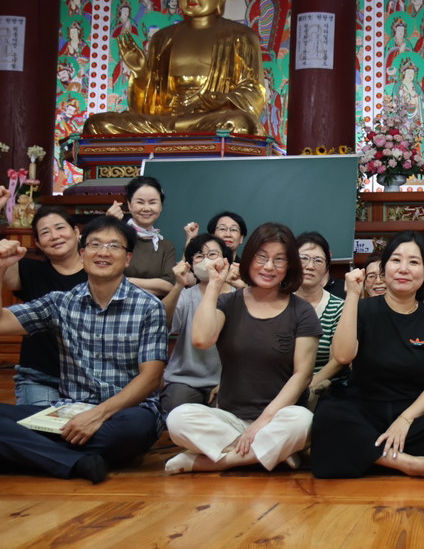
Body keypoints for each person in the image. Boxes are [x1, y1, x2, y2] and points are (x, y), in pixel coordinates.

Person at [0, 217, 166, 484]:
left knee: (135, 427)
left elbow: (151, 378)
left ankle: (29, 452)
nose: (103, 252)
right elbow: (1, 323)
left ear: (127, 258)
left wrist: (97, 415)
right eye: (95, 244)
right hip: (67, 414)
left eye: (114, 246)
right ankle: (77, 461)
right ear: (82, 253)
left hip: (124, 414)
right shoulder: (60, 302)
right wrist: (0, 267)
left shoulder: (149, 307)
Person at [164, 223, 321, 474]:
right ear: (248, 258)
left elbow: (302, 375)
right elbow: (202, 340)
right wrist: (215, 285)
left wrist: (263, 421)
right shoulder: (228, 302)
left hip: (278, 417)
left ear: (290, 265)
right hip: (230, 418)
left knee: (303, 422)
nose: (269, 267)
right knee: (178, 419)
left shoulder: (301, 311)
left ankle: (209, 462)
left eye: (279, 260)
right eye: (262, 257)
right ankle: (273, 453)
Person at [310, 231, 424, 481]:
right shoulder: (362, 309)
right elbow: (343, 356)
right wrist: (352, 296)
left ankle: (365, 455)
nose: (403, 269)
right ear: (384, 268)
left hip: (411, 414)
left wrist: (405, 419)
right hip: (363, 412)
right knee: (328, 415)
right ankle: (408, 464)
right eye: (396, 260)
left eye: (414, 262)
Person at [83, 0, 267, 135]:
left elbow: (255, 92)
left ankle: (177, 130)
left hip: (210, 120)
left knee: (241, 123)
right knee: (96, 125)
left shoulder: (241, 36)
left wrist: (225, 100)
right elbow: (147, 108)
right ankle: (178, 129)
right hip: (164, 120)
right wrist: (140, 73)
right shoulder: (162, 38)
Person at [0, 201, 87, 406]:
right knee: (41, 425)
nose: (55, 236)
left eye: (60, 228)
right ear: (38, 244)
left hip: (89, 377)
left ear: (76, 232)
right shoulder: (30, 270)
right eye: (45, 232)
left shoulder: (100, 272)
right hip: (40, 377)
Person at [159, 234, 233, 415]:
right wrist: (178, 286)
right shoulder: (186, 295)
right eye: (199, 256)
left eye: (212, 254)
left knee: (225, 416)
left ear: (225, 260)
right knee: (176, 413)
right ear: (191, 265)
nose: (206, 261)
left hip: (228, 380)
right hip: (184, 380)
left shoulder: (239, 295)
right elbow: (160, 323)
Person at [295, 232, 348, 408]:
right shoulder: (279, 303)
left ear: (326, 267)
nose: (310, 266)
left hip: (324, 390)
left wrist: (304, 387)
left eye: (318, 260)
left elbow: (337, 361)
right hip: (279, 385)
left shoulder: (339, 307)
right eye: (303, 258)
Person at [107, 176, 176, 297]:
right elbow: (105, 276)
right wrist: (107, 226)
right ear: (129, 205)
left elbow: (169, 286)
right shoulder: (116, 237)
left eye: (152, 202)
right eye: (140, 202)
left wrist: (124, 281)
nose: (146, 208)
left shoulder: (166, 246)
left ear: (160, 206)